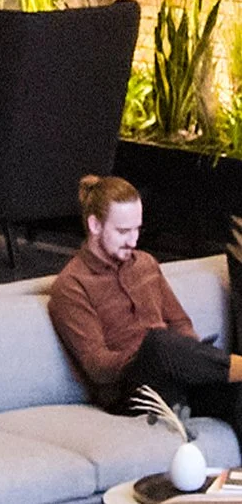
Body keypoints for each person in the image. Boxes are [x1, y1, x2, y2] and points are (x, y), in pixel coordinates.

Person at [49, 173, 242, 420]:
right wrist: (148, 353)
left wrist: (187, 358)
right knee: (158, 344)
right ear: (95, 225)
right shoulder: (72, 285)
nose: (134, 240)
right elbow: (97, 366)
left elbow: (180, 323)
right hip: (130, 392)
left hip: (174, 377)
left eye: (137, 229)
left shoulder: (146, 264)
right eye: (123, 231)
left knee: (235, 393)